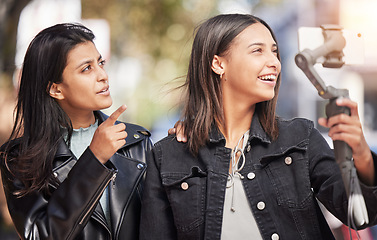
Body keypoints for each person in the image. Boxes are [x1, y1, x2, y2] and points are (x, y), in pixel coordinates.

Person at [140, 13, 377, 240]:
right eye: (258, 51)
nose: (274, 62)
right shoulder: (166, 156)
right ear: (218, 63)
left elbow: (362, 216)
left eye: (275, 52)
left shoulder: (300, 139)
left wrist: (362, 155)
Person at [0, 23, 152, 240]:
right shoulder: (18, 159)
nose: (103, 75)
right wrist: (94, 159)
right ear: (55, 89)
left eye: (101, 63)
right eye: (87, 68)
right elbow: (40, 235)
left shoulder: (135, 142)